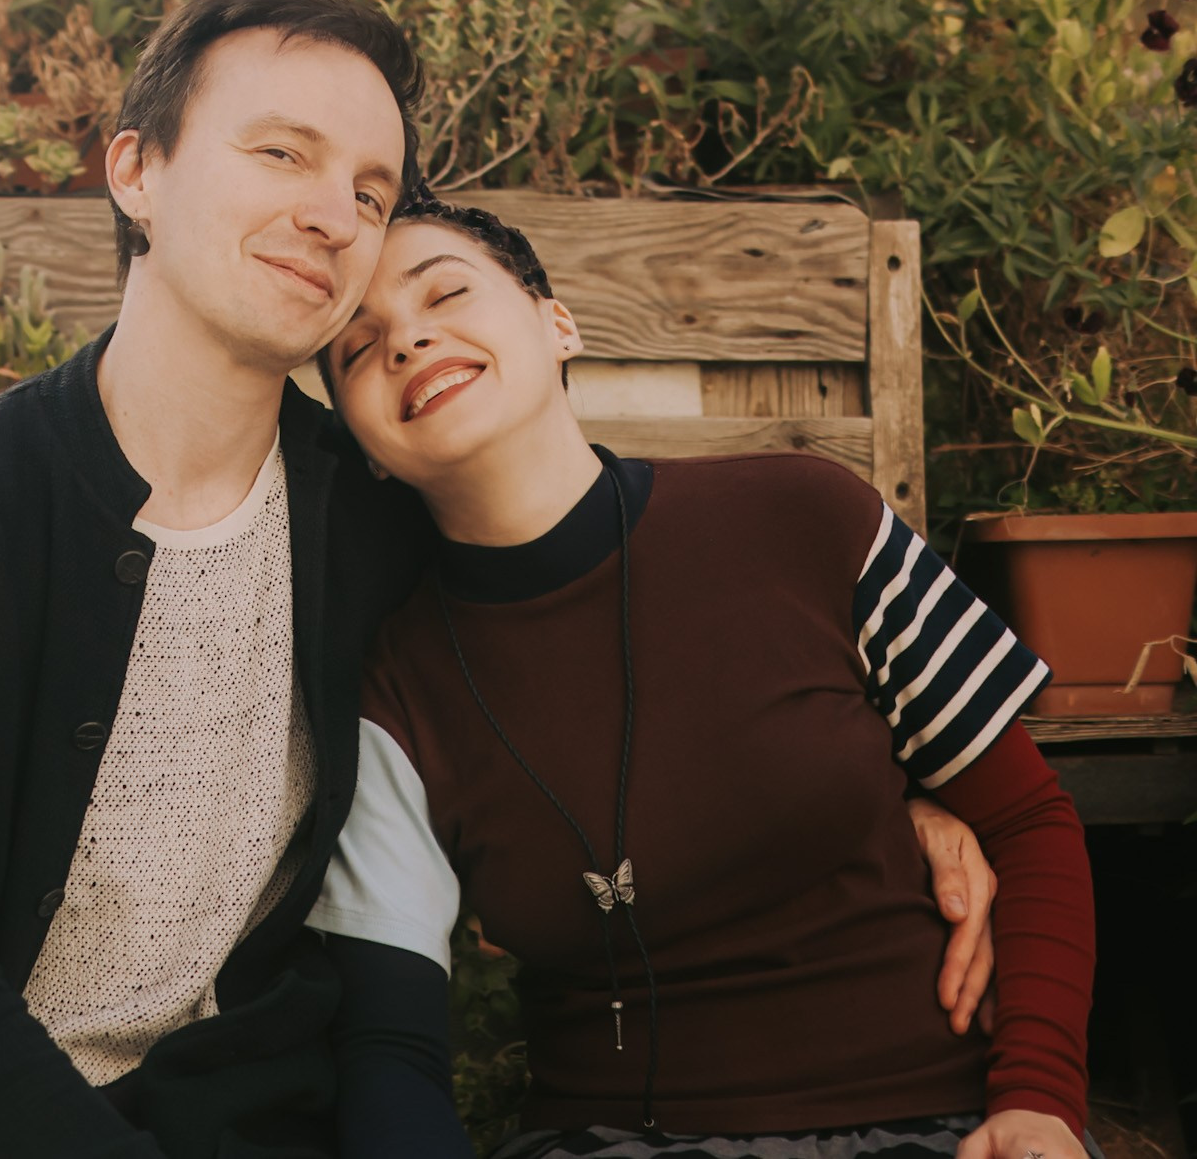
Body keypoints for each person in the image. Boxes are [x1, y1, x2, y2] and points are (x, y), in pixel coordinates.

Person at [0, 0, 1004, 1159]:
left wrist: (896, 795)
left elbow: (588, 637)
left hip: (254, 1126)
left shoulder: (373, 521)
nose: (335, 216)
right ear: (135, 171)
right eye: (282, 153)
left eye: (369, 192)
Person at [306, 194, 1096, 1159]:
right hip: (614, 1140)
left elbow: (1027, 819)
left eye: (446, 294)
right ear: (365, 450)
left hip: (941, 1123)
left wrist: (1038, 1098)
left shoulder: (807, 518)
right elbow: (390, 1044)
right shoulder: (388, 687)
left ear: (559, 324)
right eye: (358, 347)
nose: (406, 338)